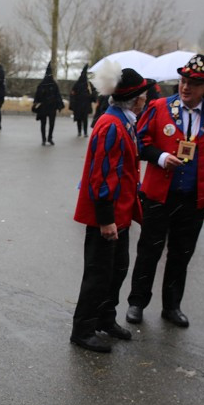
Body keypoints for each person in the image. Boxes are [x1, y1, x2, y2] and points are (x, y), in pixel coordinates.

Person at [125, 54, 204, 329]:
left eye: (193, 84)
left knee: (181, 255)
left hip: (193, 199)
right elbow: (139, 142)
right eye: (183, 81)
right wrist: (160, 157)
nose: (185, 87)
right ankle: (137, 302)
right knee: (149, 250)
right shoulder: (160, 107)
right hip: (159, 195)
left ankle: (172, 306)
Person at [70, 67, 154, 353]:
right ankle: (82, 329)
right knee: (98, 274)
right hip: (107, 218)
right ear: (135, 100)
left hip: (121, 216)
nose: (145, 100)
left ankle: (105, 318)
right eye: (143, 96)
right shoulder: (112, 125)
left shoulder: (123, 121)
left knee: (116, 270)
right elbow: (102, 175)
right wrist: (106, 219)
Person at [33, 62, 64, 146]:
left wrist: (36, 103)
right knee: (51, 124)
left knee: (43, 124)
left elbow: (37, 96)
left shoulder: (42, 84)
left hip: (44, 107)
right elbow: (58, 96)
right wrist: (59, 105)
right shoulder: (54, 84)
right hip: (51, 107)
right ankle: (49, 138)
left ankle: (44, 139)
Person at [68, 64, 93, 137]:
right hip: (83, 105)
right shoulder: (87, 85)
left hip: (79, 105)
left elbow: (72, 94)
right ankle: (84, 132)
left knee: (80, 119)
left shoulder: (78, 84)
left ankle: (81, 131)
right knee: (84, 119)